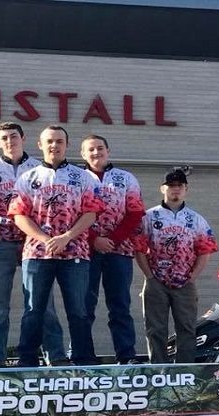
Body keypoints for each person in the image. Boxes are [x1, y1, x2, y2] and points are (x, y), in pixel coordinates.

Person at [0, 122, 66, 368]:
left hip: (34, 244)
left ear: (23, 138)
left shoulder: (38, 168)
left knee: (42, 302)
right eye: (4, 138)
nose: (10, 141)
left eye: (14, 136)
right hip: (1, 243)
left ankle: (54, 355)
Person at [9, 125, 103, 366]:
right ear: (40, 145)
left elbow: (91, 213)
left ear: (67, 145)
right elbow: (19, 215)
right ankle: (27, 361)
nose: (54, 145)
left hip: (76, 253)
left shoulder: (82, 177)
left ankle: (84, 360)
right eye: (49, 141)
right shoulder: (27, 178)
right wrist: (45, 239)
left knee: (79, 310)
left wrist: (66, 237)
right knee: (33, 310)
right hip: (37, 254)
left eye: (59, 141)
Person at [136, 169, 218, 363]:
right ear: (162, 188)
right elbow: (138, 248)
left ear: (185, 189)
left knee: (187, 328)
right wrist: (149, 277)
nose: (175, 190)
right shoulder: (149, 217)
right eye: (171, 186)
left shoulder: (196, 219)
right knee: (156, 328)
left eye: (179, 186)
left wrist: (192, 278)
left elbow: (204, 251)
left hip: (185, 282)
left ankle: (185, 369)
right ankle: (159, 369)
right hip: (156, 280)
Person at [80, 134, 147, 364]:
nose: (96, 153)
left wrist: (113, 239)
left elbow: (135, 213)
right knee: (83, 306)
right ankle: (82, 355)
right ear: (83, 154)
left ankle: (126, 355)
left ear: (108, 151)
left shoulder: (125, 178)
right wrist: (94, 239)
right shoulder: (75, 177)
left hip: (119, 251)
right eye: (91, 149)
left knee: (120, 306)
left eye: (100, 148)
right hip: (84, 251)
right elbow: (69, 213)